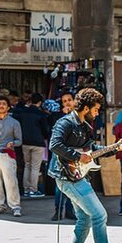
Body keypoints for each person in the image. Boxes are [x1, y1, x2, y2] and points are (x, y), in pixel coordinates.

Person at [48, 88, 122, 243]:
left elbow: (92, 150)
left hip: (78, 176)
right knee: (100, 215)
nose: (97, 112)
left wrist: (117, 147)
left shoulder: (86, 126)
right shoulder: (65, 122)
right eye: (95, 109)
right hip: (67, 177)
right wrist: (77, 156)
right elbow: (55, 144)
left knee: (85, 219)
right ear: (85, 107)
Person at [48, 91, 76, 221]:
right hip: (60, 155)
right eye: (64, 101)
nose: (67, 103)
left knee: (73, 184)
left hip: (73, 154)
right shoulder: (58, 117)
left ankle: (70, 211)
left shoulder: (78, 117)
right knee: (60, 186)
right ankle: (58, 211)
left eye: (69, 100)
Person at [16, 92, 50, 198]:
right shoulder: (41, 114)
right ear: (39, 102)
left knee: (27, 165)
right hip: (38, 142)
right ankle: (33, 190)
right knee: (35, 167)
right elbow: (46, 130)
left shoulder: (23, 112)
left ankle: (26, 189)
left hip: (25, 142)